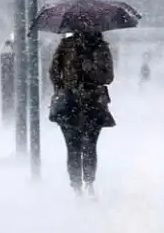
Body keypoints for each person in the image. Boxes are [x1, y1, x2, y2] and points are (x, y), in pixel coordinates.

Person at [48, 31, 115, 197]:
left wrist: (89, 68)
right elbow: (54, 72)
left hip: (89, 103)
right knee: (77, 146)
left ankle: (86, 183)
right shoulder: (68, 46)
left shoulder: (99, 48)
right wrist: (64, 87)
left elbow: (108, 77)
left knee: (84, 146)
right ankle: (79, 185)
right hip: (74, 103)